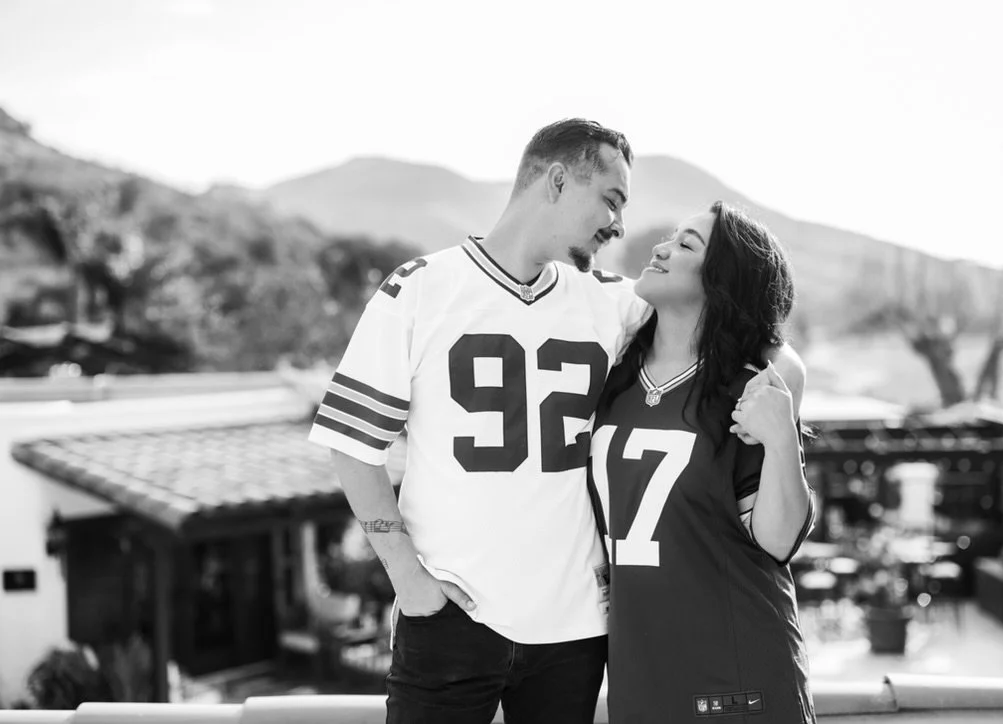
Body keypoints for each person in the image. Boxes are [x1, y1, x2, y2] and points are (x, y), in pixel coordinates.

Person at [308, 118, 805, 723]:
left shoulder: (612, 301)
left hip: (575, 631)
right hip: (452, 617)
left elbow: (744, 326)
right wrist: (407, 578)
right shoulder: (420, 290)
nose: (619, 224)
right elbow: (352, 446)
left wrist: (783, 405)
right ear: (559, 180)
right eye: (611, 200)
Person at [589, 202, 816, 724]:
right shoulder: (615, 378)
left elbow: (778, 542)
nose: (661, 248)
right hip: (639, 677)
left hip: (737, 681)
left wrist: (782, 440)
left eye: (686, 244)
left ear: (723, 282)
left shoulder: (750, 393)